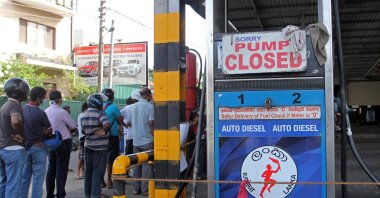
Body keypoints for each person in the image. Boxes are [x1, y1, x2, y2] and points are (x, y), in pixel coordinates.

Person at [0, 78, 30, 197]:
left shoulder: (4, 106)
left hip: (3, 149)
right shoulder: (15, 106)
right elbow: (16, 121)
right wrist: (21, 135)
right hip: (13, 150)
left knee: (4, 183)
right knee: (14, 185)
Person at [20, 87, 52, 198]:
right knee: (38, 180)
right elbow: (49, 130)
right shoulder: (41, 113)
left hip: (24, 148)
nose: (44, 99)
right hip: (38, 147)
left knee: (24, 178)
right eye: (43, 97)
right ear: (38, 98)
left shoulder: (21, 110)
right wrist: (44, 131)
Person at [45, 90, 77, 198]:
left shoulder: (46, 111)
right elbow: (73, 126)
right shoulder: (62, 112)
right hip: (63, 142)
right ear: (60, 99)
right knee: (62, 168)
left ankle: (49, 194)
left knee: (51, 168)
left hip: (50, 141)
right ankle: (60, 194)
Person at [81, 93, 110, 198]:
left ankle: (87, 194)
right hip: (100, 147)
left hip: (88, 145)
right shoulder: (100, 113)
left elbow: (84, 131)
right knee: (98, 171)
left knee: (88, 170)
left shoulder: (83, 115)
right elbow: (106, 124)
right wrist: (104, 130)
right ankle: (96, 194)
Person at [126, 87, 154, 195]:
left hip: (135, 141)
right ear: (147, 95)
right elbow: (151, 123)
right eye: (150, 95)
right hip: (147, 140)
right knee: (147, 165)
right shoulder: (150, 107)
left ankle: (135, 189)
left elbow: (129, 122)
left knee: (137, 165)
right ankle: (145, 190)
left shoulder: (133, 107)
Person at [101, 88, 123, 189]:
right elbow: (120, 120)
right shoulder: (114, 107)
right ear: (112, 97)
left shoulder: (99, 107)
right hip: (112, 136)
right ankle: (109, 181)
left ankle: (101, 181)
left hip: (101, 136)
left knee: (101, 158)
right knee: (111, 159)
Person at [76, 102, 88, 179]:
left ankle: (82, 171)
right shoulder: (84, 115)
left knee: (82, 156)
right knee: (81, 156)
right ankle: (78, 172)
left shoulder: (80, 115)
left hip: (81, 137)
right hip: (84, 137)